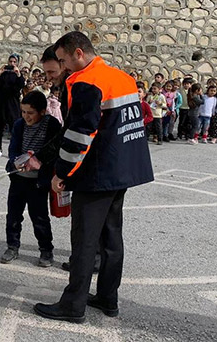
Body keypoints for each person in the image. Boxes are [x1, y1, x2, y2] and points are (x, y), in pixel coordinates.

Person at [31, 31, 153, 323]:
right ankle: (108, 298)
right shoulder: (120, 76)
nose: (62, 67)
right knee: (111, 239)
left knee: (84, 242)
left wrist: (61, 172)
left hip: (97, 173)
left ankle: (73, 306)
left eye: (63, 60)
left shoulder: (86, 82)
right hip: (121, 171)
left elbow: (79, 134)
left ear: (78, 54)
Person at [1, 91, 62, 267]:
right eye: (23, 112)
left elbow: (55, 152)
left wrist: (41, 165)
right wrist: (15, 162)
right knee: (13, 215)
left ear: (42, 111)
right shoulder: (19, 125)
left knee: (39, 217)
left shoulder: (52, 125)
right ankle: (12, 246)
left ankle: (46, 251)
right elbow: (13, 148)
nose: (26, 116)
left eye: (30, 113)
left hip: (38, 181)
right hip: (18, 178)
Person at [0, 55, 24, 159]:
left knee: (14, 129)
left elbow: (21, 86)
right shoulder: (3, 73)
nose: (12, 64)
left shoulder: (18, 75)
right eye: (10, 61)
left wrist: (18, 74)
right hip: (1, 104)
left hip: (12, 105)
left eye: (14, 62)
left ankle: (15, 151)